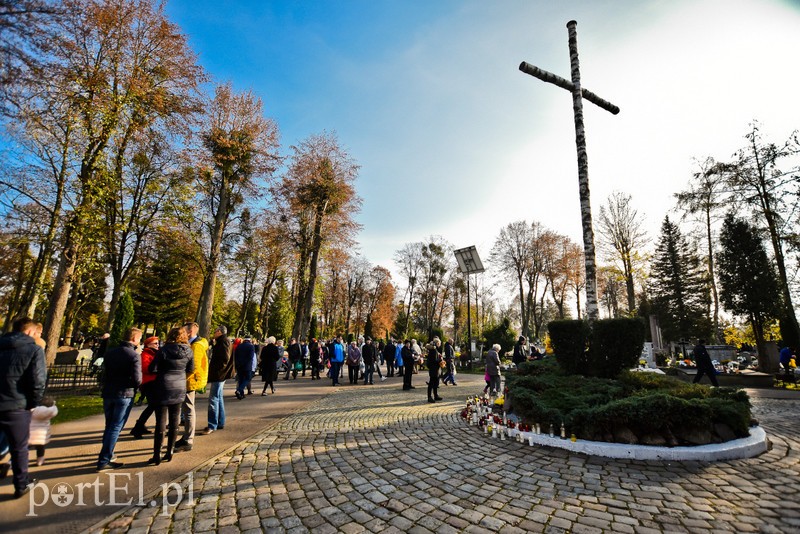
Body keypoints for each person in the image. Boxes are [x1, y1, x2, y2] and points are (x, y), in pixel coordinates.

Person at [0, 317, 46, 497]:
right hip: (16, 405)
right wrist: (33, 403)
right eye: (36, 333)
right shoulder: (34, 349)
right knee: (19, 447)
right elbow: (37, 381)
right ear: (29, 332)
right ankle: (21, 485)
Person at [97, 327, 143, 471]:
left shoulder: (110, 353)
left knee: (109, 425)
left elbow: (105, 373)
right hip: (125, 393)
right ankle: (104, 459)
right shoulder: (134, 355)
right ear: (134, 339)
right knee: (116, 427)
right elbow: (137, 379)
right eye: (139, 339)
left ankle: (107, 455)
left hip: (109, 392)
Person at [149, 327, 194, 465]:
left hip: (163, 385)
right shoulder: (188, 351)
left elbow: (153, 368)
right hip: (179, 386)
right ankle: (170, 451)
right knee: (175, 420)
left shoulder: (163, 350)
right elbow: (191, 369)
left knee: (160, 422)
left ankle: (157, 454)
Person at [174, 322, 208, 454]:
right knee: (187, 409)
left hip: (189, 381)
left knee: (188, 410)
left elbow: (193, 367)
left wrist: (182, 378)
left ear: (189, 332)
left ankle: (188, 439)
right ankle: (186, 437)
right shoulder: (193, 344)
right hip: (185, 380)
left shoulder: (197, 346)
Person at [201, 326, 233, 435]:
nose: (214, 334)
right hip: (221, 374)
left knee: (213, 399)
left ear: (219, 332)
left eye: (215, 332)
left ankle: (212, 424)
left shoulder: (223, 342)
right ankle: (220, 422)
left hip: (219, 374)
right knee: (218, 398)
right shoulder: (223, 341)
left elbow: (225, 358)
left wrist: (216, 370)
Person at [130, 336, 160, 439]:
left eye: (158, 343)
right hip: (149, 383)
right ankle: (138, 427)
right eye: (155, 343)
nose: (157, 345)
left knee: (152, 406)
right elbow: (147, 368)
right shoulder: (145, 354)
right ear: (148, 345)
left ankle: (139, 426)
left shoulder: (155, 353)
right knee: (154, 405)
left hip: (155, 382)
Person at [29, 396, 57, 466]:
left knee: (25, 448)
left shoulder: (32, 411)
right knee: (40, 448)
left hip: (30, 434)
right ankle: (40, 461)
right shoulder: (49, 412)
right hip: (41, 435)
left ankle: (16, 461)